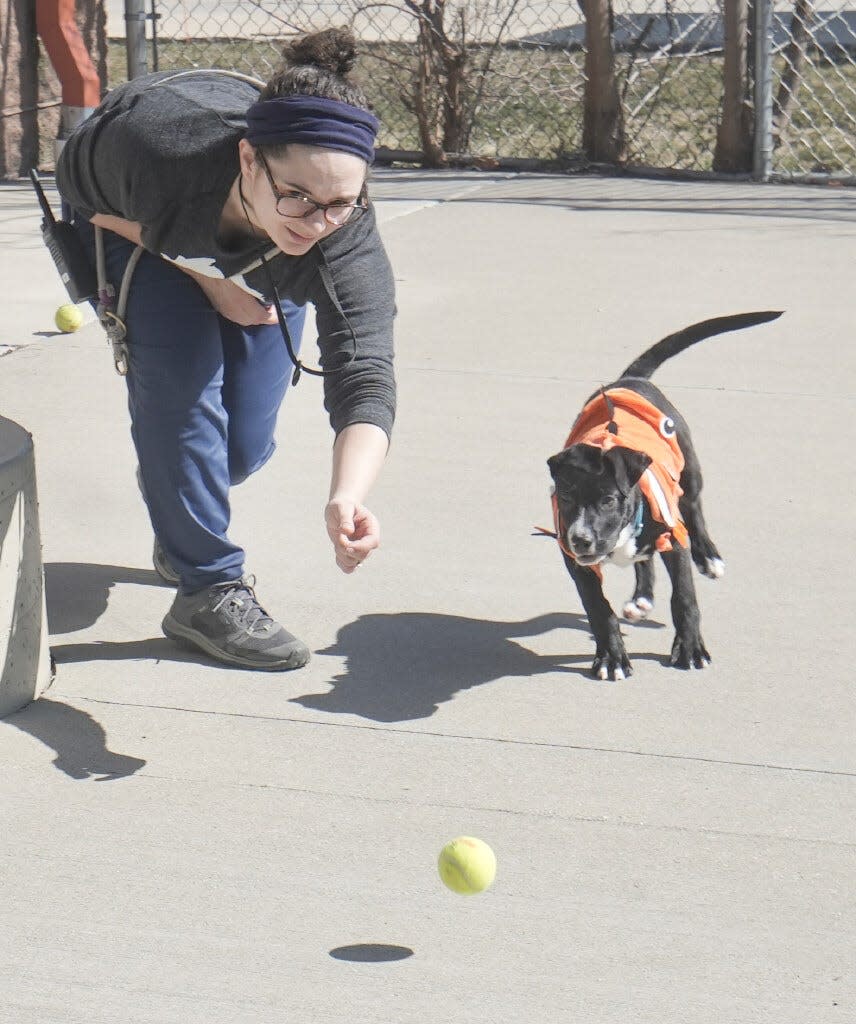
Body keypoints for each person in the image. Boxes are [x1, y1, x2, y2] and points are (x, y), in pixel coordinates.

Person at [55, 28, 396, 671]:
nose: (315, 220)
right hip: (137, 218)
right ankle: (206, 588)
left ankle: (177, 499)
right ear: (249, 160)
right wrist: (209, 275)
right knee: (182, 400)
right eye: (296, 193)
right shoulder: (157, 151)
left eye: (338, 204)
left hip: (252, 249)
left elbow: (367, 371)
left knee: (238, 449)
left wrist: (346, 494)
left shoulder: (336, 237)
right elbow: (86, 198)